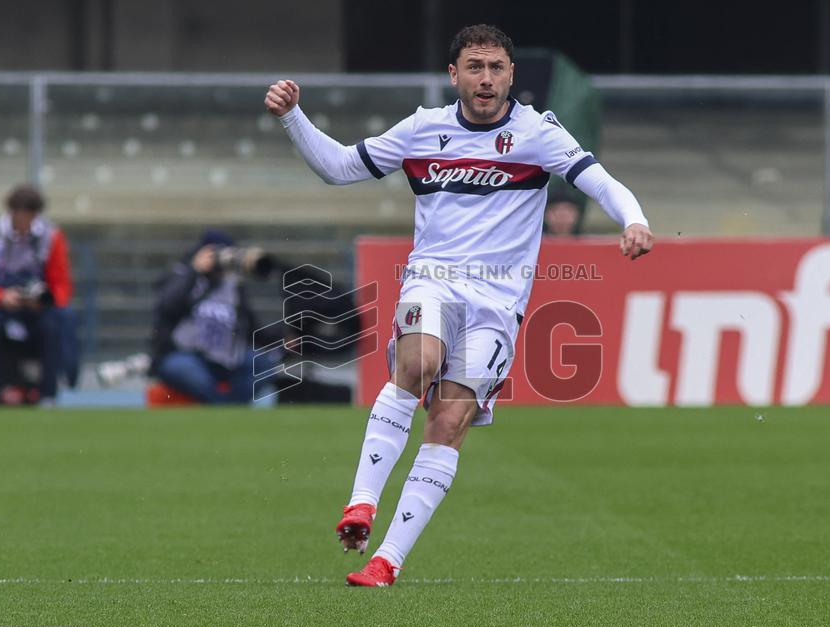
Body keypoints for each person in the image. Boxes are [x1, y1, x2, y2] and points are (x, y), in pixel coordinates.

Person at [265, 24, 654, 587]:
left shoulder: (538, 134)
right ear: (455, 75)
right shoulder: (423, 130)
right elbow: (341, 166)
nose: (487, 78)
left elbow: (603, 183)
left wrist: (635, 220)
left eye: (497, 67)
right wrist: (293, 117)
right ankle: (362, 502)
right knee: (418, 363)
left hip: (498, 304)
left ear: (512, 74)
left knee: (448, 420)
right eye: (475, 67)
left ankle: (386, 560)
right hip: (434, 281)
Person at [0, 185, 75, 406]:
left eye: (29, 216)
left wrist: (41, 300)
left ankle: (49, 395)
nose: (24, 222)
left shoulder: (51, 236)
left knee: (54, 327)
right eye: (20, 215)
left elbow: (62, 285)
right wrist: (1, 297)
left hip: (37, 311)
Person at [149, 230, 274, 404]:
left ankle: (228, 407)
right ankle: (223, 407)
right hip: (185, 354)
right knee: (183, 369)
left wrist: (285, 337)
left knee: (261, 364)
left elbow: (253, 327)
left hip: (228, 357)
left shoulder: (233, 285)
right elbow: (167, 307)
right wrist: (195, 272)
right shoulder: (181, 274)